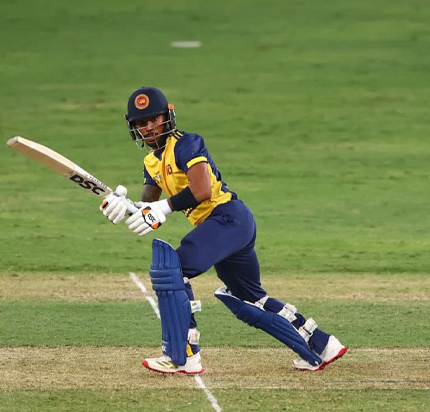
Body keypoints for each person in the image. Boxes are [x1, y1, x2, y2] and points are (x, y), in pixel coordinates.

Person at [100, 87, 347, 374]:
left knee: (172, 269)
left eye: (153, 119)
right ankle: (322, 344)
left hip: (227, 218)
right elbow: (149, 205)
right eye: (141, 123)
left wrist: (163, 209)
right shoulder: (151, 162)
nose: (148, 127)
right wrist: (127, 206)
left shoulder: (186, 143)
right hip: (224, 229)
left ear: (167, 117)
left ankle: (184, 355)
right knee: (250, 299)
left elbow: (202, 191)